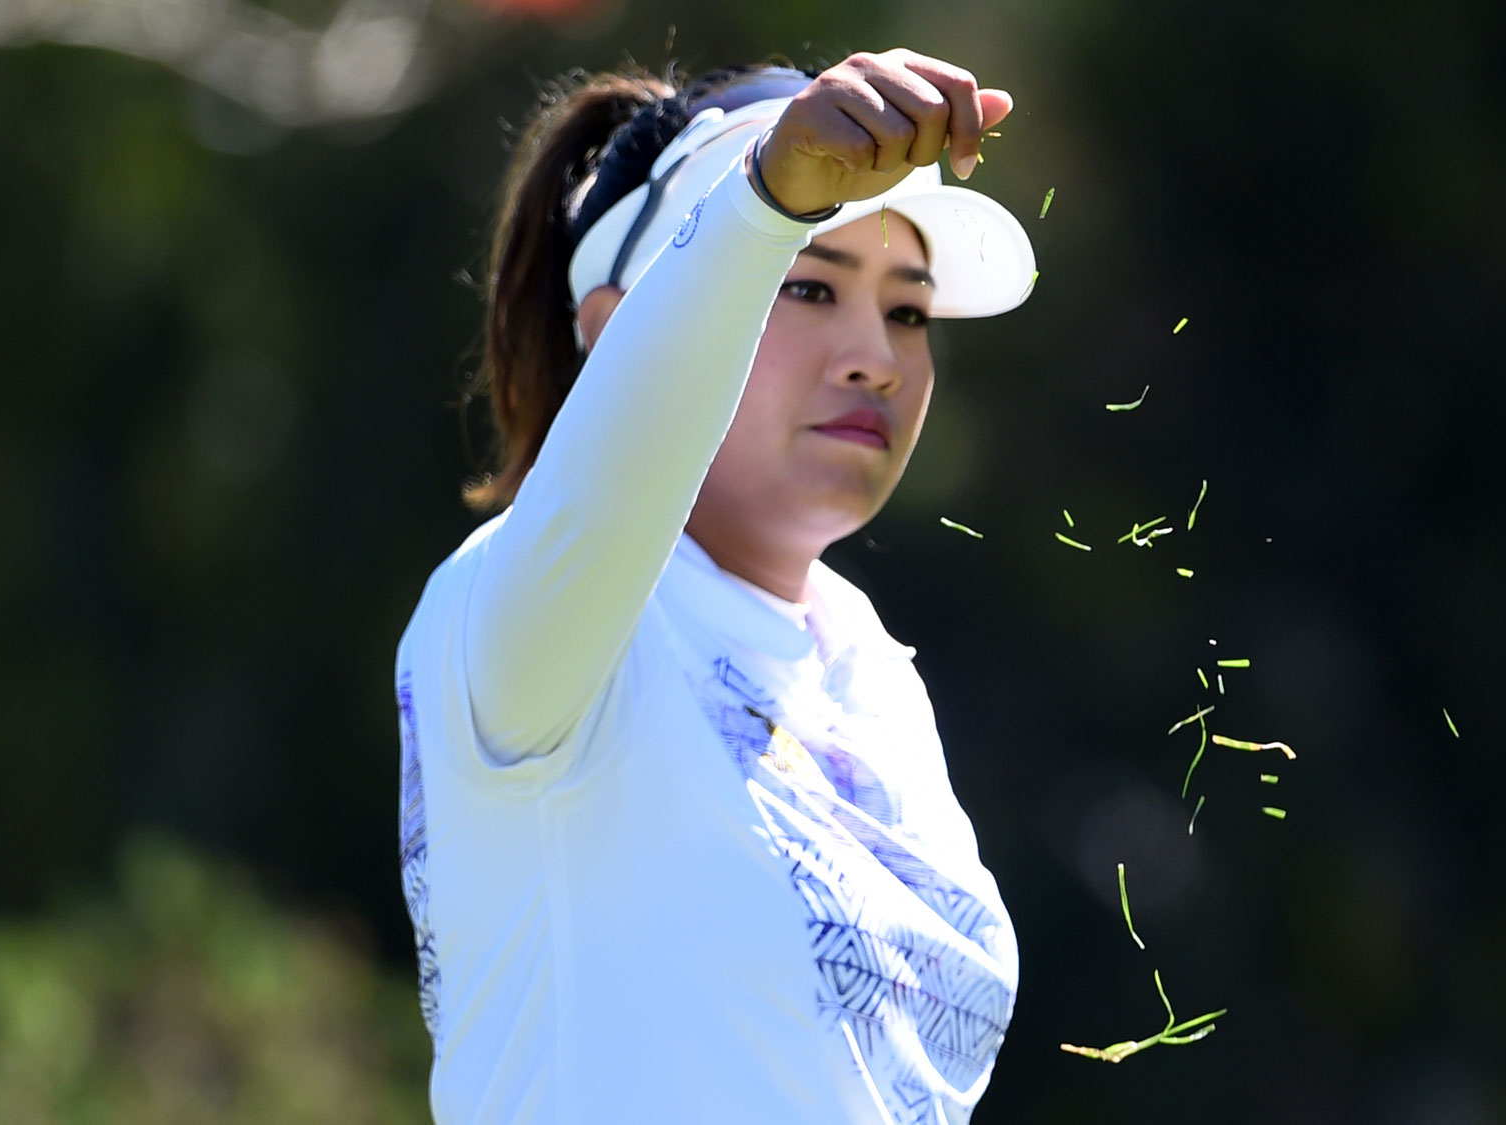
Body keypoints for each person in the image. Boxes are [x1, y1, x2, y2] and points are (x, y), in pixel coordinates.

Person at [393, 49, 1034, 1123]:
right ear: (609, 324)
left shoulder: (869, 670)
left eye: (908, 312)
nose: (875, 355)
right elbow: (605, 491)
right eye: (810, 285)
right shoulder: (525, 621)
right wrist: (764, 204)